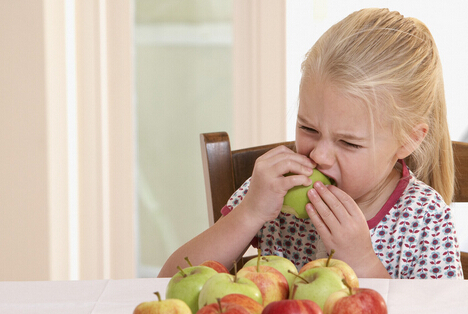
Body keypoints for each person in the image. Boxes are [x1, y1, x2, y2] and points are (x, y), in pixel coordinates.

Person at [158, 8, 464, 279]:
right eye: (308, 128)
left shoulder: (424, 218)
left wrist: (362, 263)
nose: (319, 154)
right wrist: (250, 212)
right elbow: (169, 280)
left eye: (348, 143)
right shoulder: (275, 192)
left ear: (408, 140)